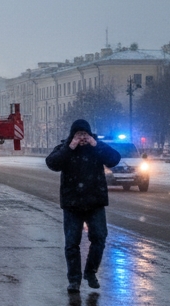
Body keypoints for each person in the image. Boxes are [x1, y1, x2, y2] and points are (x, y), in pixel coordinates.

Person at [45, 118, 122, 293]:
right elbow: (52, 163)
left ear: (89, 134)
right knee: (72, 244)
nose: (81, 137)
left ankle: (90, 272)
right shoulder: (66, 148)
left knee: (99, 239)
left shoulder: (96, 148)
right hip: (72, 204)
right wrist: (70, 147)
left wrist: (96, 144)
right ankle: (74, 280)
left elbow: (114, 159)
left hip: (95, 203)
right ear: (73, 134)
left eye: (84, 134)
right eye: (78, 134)